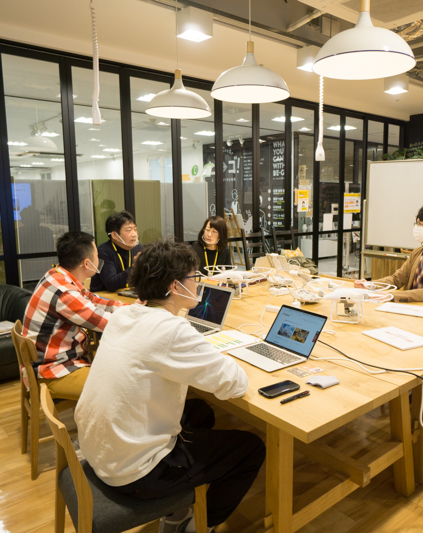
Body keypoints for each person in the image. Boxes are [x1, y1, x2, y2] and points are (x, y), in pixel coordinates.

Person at [75, 237, 264, 533]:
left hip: (99, 448)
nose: (198, 283)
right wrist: (208, 350)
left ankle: (177, 509)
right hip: (133, 473)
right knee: (251, 448)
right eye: (194, 277)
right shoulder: (172, 330)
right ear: (175, 286)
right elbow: (236, 385)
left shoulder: (123, 314)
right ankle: (200, 525)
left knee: (201, 411)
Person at [22, 231, 125, 401]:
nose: (99, 259)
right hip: (53, 370)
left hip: (53, 359)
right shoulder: (65, 293)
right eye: (97, 255)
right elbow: (105, 322)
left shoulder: (56, 274)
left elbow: (92, 300)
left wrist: (130, 307)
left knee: (118, 373)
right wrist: (141, 315)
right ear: (87, 263)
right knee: (119, 388)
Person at [355, 205, 423, 302]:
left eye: (420, 224)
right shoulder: (417, 252)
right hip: (413, 306)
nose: (416, 227)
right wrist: (370, 285)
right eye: (416, 223)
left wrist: (392, 296)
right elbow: (397, 279)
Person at [89, 210, 144, 292]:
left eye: (135, 229)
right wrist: (135, 267)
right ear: (114, 235)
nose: (134, 234)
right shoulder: (103, 251)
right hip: (104, 296)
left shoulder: (138, 248)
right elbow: (111, 284)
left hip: (128, 293)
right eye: (129, 230)